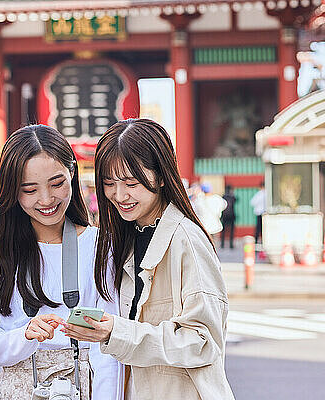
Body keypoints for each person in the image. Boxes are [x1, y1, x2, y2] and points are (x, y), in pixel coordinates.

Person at [62, 119, 235, 400]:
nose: (119, 195)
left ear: (162, 176)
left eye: (131, 183)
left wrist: (116, 333)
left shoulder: (186, 240)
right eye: (109, 183)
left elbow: (203, 342)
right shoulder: (127, 235)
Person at [0, 125, 122, 400]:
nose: (46, 199)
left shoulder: (100, 245)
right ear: (13, 191)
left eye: (57, 183)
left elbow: (106, 348)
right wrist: (24, 336)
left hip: (85, 386)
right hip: (18, 388)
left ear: (72, 173)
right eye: (30, 189)